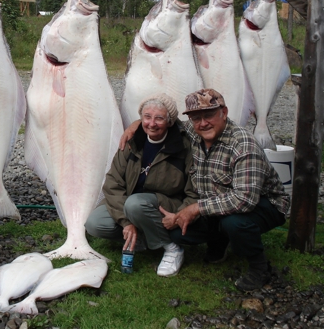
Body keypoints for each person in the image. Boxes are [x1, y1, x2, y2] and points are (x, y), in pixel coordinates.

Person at [121, 88, 290, 291]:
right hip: (216, 204)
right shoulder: (193, 132)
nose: (203, 123)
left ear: (224, 113)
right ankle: (219, 240)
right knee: (178, 234)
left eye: (209, 115)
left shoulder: (243, 145)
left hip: (264, 204)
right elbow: (165, 121)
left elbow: (245, 200)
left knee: (235, 222)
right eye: (196, 118)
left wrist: (194, 209)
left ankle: (259, 267)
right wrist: (137, 124)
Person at [85, 93, 198, 277]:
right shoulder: (132, 142)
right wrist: (127, 222)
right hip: (131, 204)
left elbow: (193, 190)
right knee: (95, 223)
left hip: (166, 204)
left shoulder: (184, 146)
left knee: (136, 204)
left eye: (159, 118)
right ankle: (142, 237)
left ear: (170, 121)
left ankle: (171, 248)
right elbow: (112, 183)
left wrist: (182, 213)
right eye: (147, 117)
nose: (151, 123)